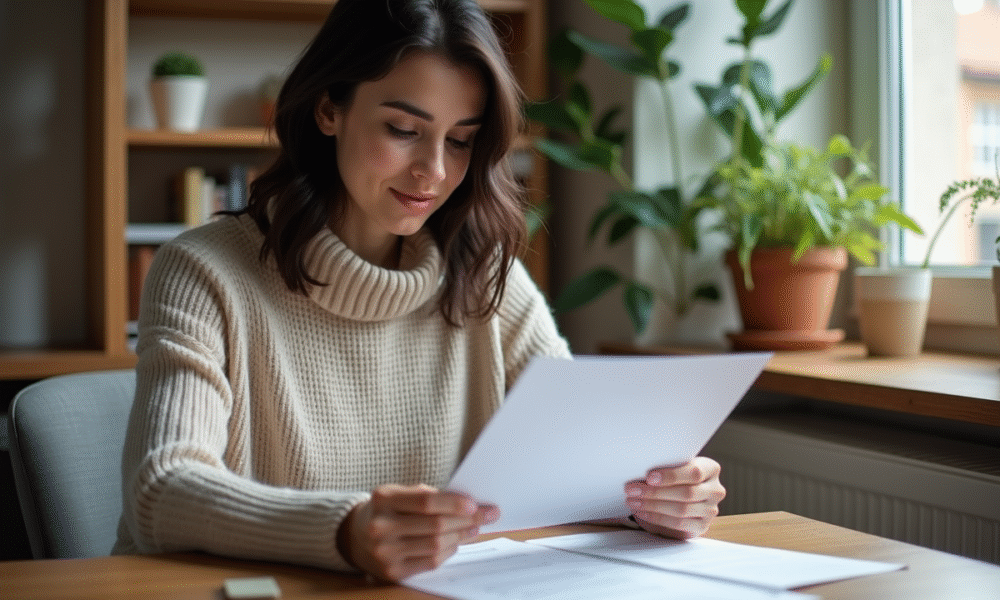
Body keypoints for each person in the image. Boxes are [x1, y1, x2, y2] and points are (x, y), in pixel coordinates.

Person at [114, 0, 726, 583]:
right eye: (404, 128)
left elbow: (578, 463)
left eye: (461, 140)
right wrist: (344, 531)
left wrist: (656, 497)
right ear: (330, 108)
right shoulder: (203, 271)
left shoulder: (486, 276)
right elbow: (162, 490)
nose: (433, 170)